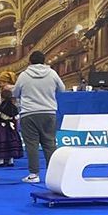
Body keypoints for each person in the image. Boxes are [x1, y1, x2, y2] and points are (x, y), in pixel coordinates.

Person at [13, 50, 65, 183]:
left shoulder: (24, 75)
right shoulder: (52, 73)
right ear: (44, 61)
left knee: (32, 145)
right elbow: (62, 89)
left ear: (30, 62)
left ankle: (34, 174)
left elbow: (15, 93)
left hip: (29, 113)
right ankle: (54, 174)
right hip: (48, 112)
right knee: (50, 144)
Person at [0, 88, 22, 166]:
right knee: (11, 143)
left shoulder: (1, 107)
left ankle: (1, 161)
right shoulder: (13, 107)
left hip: (1, 127)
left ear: (2, 97)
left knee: (1, 142)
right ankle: (11, 160)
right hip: (11, 127)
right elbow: (17, 117)